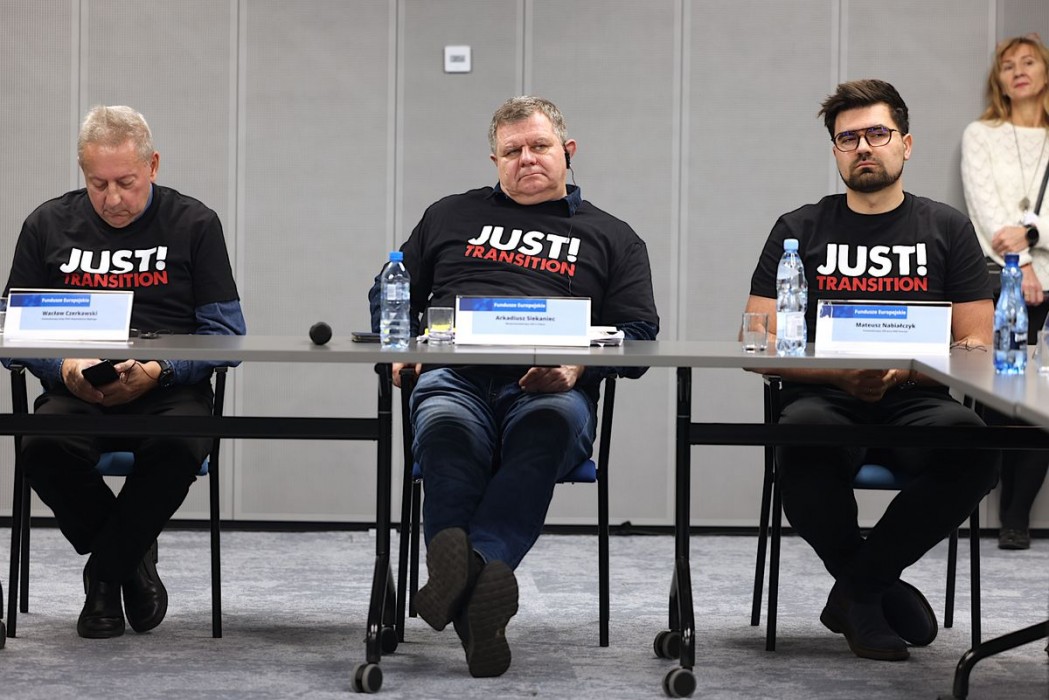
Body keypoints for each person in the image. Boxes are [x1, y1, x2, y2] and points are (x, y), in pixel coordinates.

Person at [368, 96, 658, 677]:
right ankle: (478, 590)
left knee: (544, 430)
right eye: (512, 151)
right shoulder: (450, 215)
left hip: (551, 387)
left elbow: (640, 334)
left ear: (567, 151)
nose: (526, 158)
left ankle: (463, 572)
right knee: (445, 431)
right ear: (495, 160)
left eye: (539, 146)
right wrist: (400, 347)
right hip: (455, 375)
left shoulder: (613, 236)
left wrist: (578, 368)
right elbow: (389, 291)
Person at [743, 80, 999, 662]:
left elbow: (976, 344)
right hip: (824, 393)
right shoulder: (798, 229)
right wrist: (840, 376)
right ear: (835, 151)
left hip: (919, 393)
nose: (863, 146)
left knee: (975, 448)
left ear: (906, 144)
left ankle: (858, 592)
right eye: (848, 138)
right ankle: (873, 588)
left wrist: (902, 372)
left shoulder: (947, 228)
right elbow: (757, 342)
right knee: (800, 437)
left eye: (877, 133)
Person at [2, 105, 245, 639]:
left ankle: (105, 577)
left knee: (180, 445)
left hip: (168, 389)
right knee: (40, 448)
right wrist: (65, 367)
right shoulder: (46, 225)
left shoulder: (195, 224)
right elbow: (10, 329)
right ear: (83, 172)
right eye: (98, 184)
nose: (113, 198)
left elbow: (226, 334)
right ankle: (132, 559)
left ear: (152, 165)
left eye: (126, 183)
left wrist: (161, 368)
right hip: (76, 386)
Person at [961, 34, 1049, 551]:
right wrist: (1023, 266)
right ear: (998, 79)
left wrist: (1033, 235)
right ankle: (975, 501)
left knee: (1044, 398)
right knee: (996, 395)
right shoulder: (981, 135)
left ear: (1045, 72)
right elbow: (985, 211)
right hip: (1000, 280)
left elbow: (1024, 227)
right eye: (1008, 64)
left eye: (1029, 61)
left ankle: (1016, 516)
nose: (1018, 70)